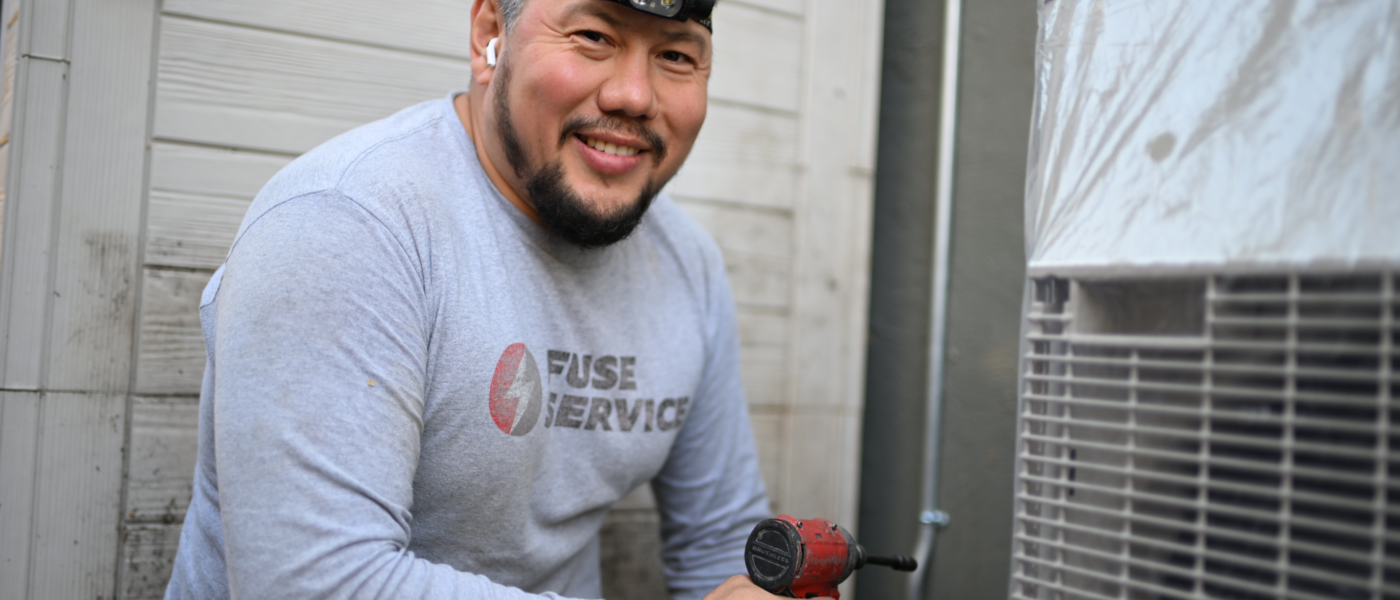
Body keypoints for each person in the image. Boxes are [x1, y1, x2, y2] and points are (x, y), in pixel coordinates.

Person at [163, 0, 816, 598]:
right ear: (488, 38)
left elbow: (719, 548)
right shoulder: (348, 224)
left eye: (674, 55)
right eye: (593, 37)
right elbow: (314, 584)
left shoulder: (686, 264)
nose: (634, 95)